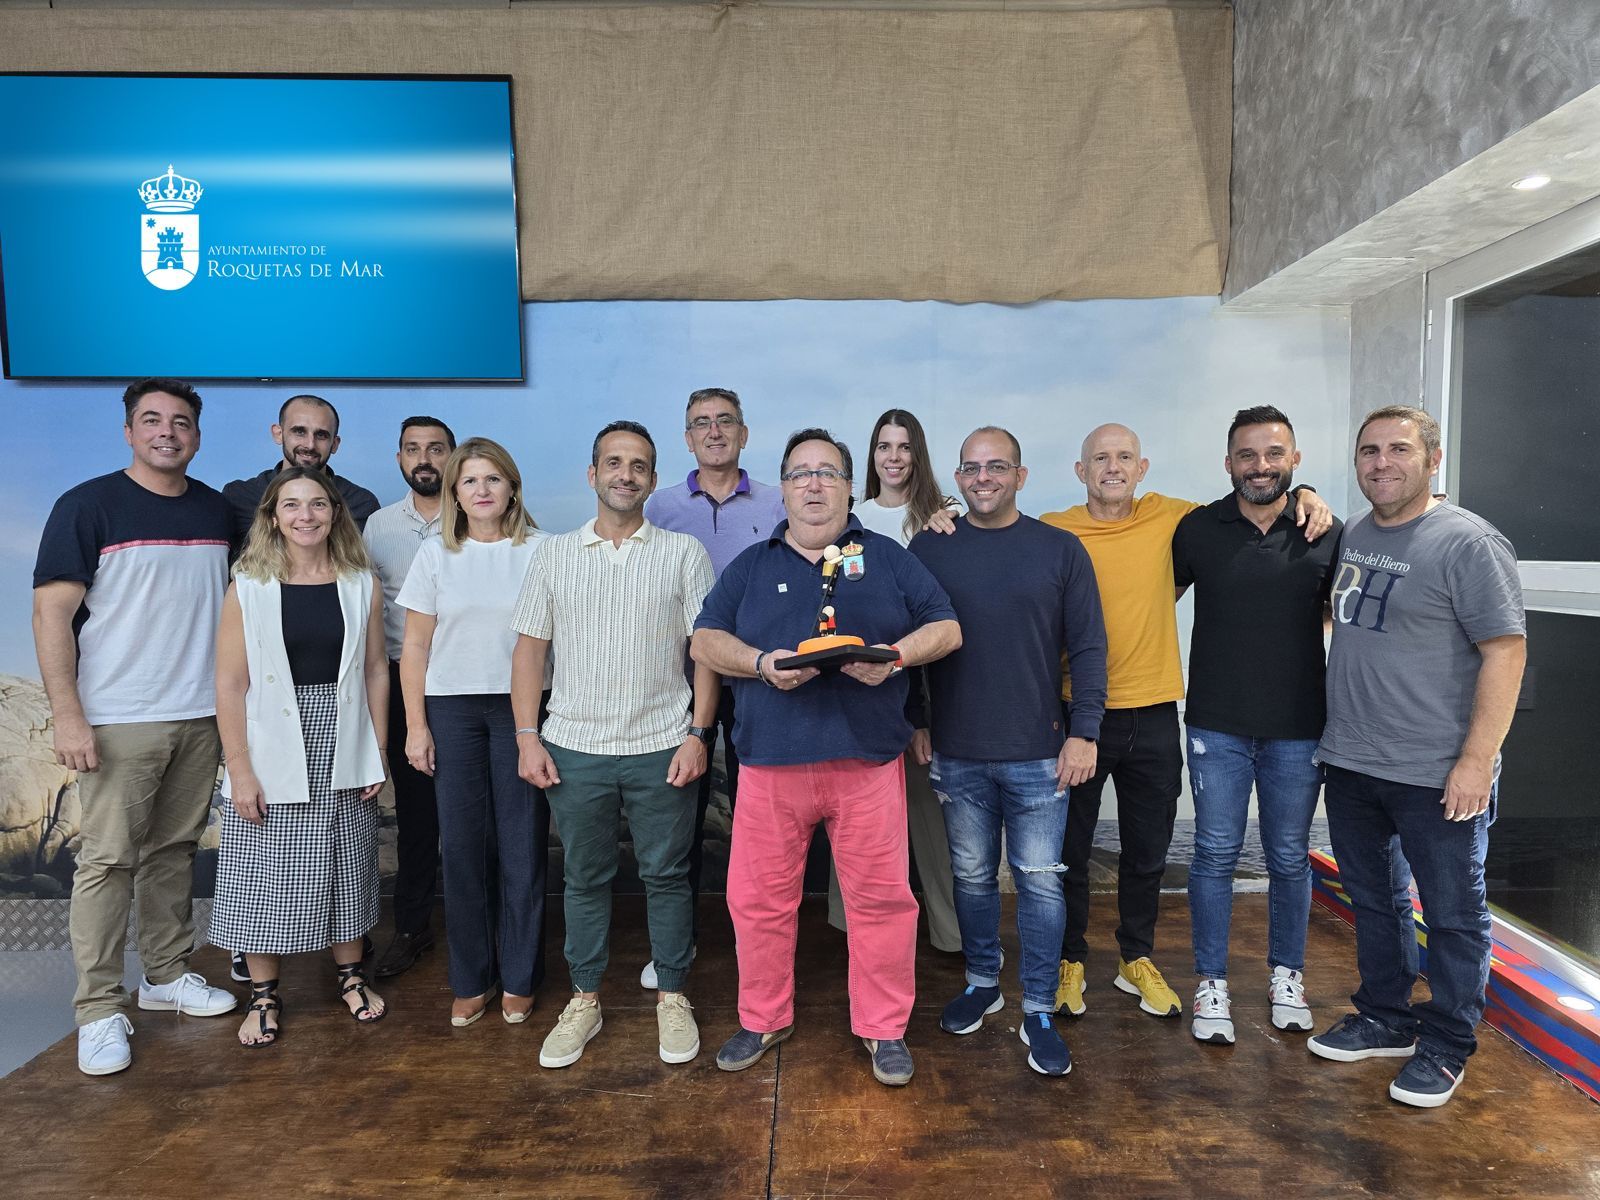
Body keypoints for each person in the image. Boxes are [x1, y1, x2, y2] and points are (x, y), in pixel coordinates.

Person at [692, 428, 962, 1087]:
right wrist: (759, 665)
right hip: (769, 766)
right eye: (800, 473)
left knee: (882, 903)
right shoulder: (752, 565)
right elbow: (704, 640)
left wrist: (895, 656)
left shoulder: (891, 558)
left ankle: (883, 1029)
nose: (814, 484)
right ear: (783, 488)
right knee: (757, 902)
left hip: (867, 765)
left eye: (828, 473)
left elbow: (947, 628)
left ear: (849, 486)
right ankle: (763, 1016)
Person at [1040, 423, 1330, 1021]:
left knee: (1147, 851)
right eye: (1100, 457)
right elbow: (997, 540)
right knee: (1069, 847)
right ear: (1080, 469)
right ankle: (1070, 959)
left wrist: (1308, 493)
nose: (1112, 467)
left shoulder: (1177, 520)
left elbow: (1261, 494)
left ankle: (1134, 958)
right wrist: (947, 513)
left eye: (1124, 457)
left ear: (1142, 468)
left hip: (1152, 710)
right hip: (1075, 713)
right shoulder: (1052, 530)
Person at [1308, 405, 1525, 1109]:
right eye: (1368, 450)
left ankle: (1447, 1043)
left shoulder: (1468, 543)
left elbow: (1505, 651)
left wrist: (1476, 760)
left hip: (1435, 772)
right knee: (1375, 901)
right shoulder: (1358, 534)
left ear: (1432, 459)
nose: (1380, 462)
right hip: (1352, 761)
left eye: (1398, 449)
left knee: (1456, 913)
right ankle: (1386, 1016)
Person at [33, 379, 239, 1076]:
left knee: (172, 853)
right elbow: (51, 614)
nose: (167, 432)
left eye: (181, 422)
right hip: (119, 717)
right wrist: (68, 714)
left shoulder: (216, 510)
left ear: (197, 436)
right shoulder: (87, 505)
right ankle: (96, 1008)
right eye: (151, 420)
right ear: (128, 431)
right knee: (108, 862)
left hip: (199, 713)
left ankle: (164, 975)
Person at [510, 421, 717, 1069]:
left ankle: (674, 997)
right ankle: (585, 1000)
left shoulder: (683, 554)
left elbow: (704, 653)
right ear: (592, 473)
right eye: (613, 463)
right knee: (585, 878)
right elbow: (529, 652)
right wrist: (527, 737)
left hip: (663, 745)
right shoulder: (553, 554)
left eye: (639, 465)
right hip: (574, 747)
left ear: (653, 480)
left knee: (667, 875)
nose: (625, 475)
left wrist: (698, 733)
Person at [910, 426, 1106, 1078]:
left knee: (1040, 884)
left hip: (1039, 754)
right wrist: (918, 721)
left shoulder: (1060, 550)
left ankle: (1041, 1008)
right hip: (958, 751)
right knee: (970, 878)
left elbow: (1089, 648)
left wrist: (1085, 732)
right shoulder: (931, 547)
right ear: (958, 479)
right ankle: (982, 982)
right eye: (972, 467)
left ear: (1021, 476)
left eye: (997, 466)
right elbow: (909, 642)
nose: (983, 477)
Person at [1171, 406, 1341, 1046]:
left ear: (1294, 460)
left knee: (1289, 858)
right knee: (1213, 855)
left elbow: (1346, 618)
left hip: (1299, 727)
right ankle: (1210, 982)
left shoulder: (1324, 530)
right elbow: (1147, 598)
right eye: (1248, 455)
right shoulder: (1197, 529)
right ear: (1229, 464)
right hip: (1217, 725)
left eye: (1274, 455)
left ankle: (1286, 977)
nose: (1260, 466)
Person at [209, 467, 390, 1047]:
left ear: (335, 513)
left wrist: (377, 750)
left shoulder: (361, 582)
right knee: (261, 873)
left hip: (344, 738)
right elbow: (229, 682)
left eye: (317, 504)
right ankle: (263, 997)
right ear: (272, 516)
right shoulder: (249, 586)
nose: (305, 515)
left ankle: (351, 977)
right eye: (291, 505)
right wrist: (239, 767)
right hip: (269, 747)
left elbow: (374, 670)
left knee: (346, 864)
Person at [398, 438, 550, 1026]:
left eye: (493, 479)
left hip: (525, 710)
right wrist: (416, 726)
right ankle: (470, 976)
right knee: (461, 847)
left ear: (512, 487)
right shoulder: (436, 554)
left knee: (521, 845)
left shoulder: (543, 550)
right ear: (454, 492)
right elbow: (414, 645)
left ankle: (519, 975)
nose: (482, 489)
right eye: (469, 481)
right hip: (453, 710)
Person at [642, 386, 785, 990]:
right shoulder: (659, 508)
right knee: (684, 811)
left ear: (745, 434)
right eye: (701, 423)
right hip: (683, 682)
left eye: (726, 421)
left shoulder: (782, 503)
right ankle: (683, 939)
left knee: (765, 812)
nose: (715, 431)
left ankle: (768, 936)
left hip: (765, 680)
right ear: (688, 438)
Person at [827, 408, 961, 956]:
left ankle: (951, 938)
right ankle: (849, 933)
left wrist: (919, 715)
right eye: (884, 446)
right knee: (855, 824)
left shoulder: (940, 521)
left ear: (918, 454)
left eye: (905, 447)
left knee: (931, 824)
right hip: (854, 692)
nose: (895, 457)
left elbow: (938, 619)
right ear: (872, 455)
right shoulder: (848, 524)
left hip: (922, 687)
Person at [363, 416, 455, 979]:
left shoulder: (477, 514)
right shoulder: (375, 526)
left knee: (484, 815)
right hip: (403, 682)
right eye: (414, 449)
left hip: (468, 682)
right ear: (399, 457)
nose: (425, 459)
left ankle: (492, 926)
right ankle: (413, 929)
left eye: (437, 449)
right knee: (418, 814)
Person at [222, 394, 380, 555]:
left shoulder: (361, 503)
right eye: (299, 432)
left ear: (335, 444)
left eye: (321, 435)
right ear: (278, 433)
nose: (310, 445)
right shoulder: (239, 497)